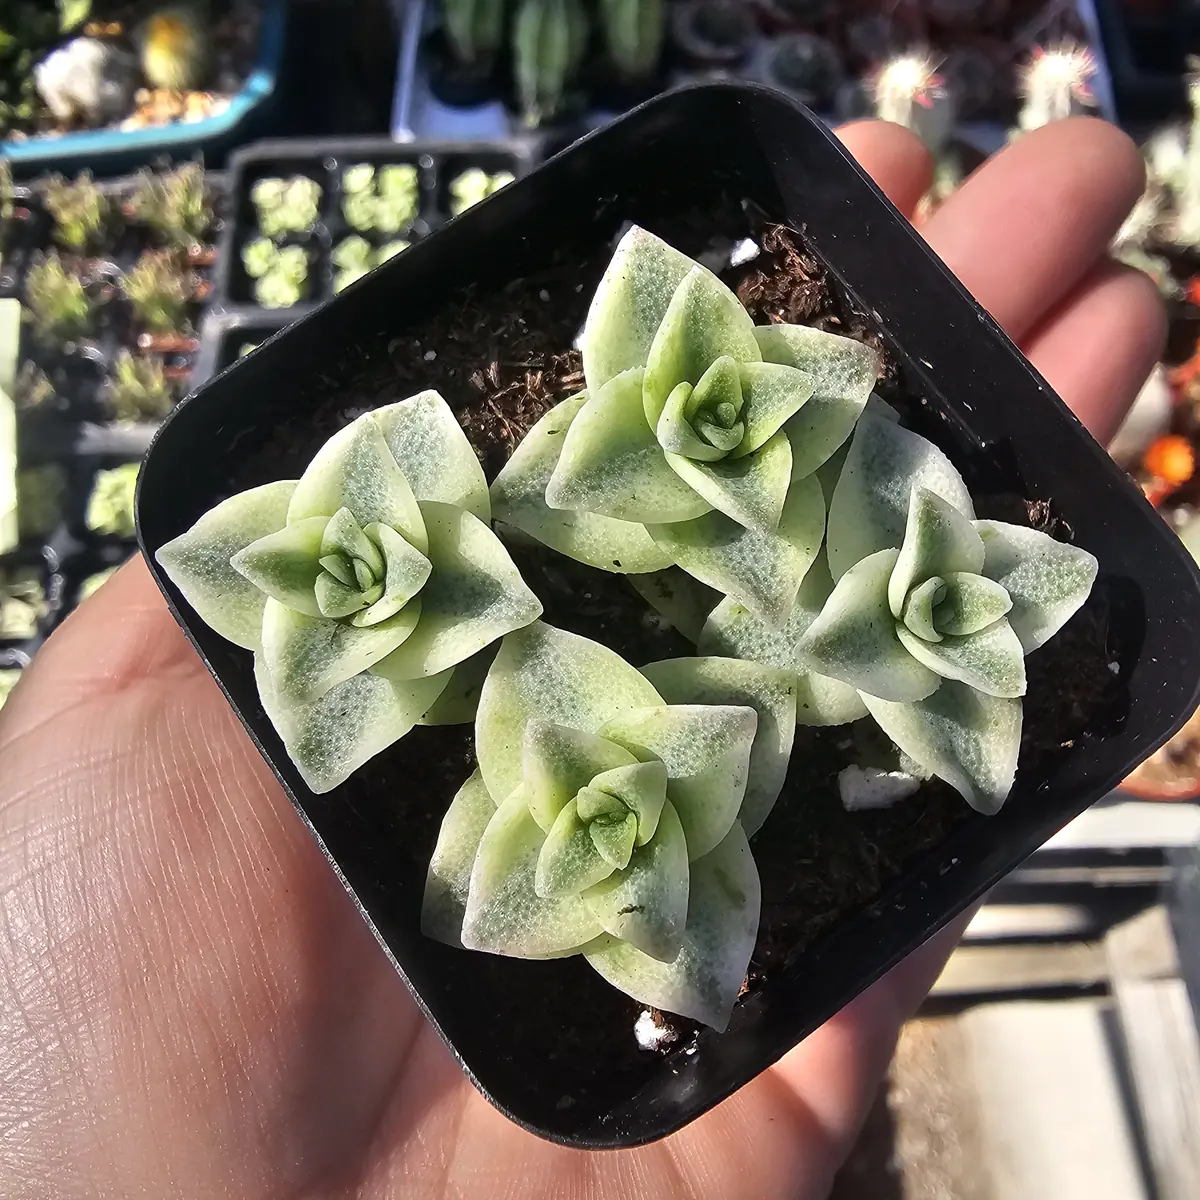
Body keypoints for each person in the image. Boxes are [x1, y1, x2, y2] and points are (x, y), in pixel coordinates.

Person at [0, 117, 1162, 1198]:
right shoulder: (487, 678)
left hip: (753, 600)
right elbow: (515, 649)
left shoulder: (758, 612)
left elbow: (768, 623)